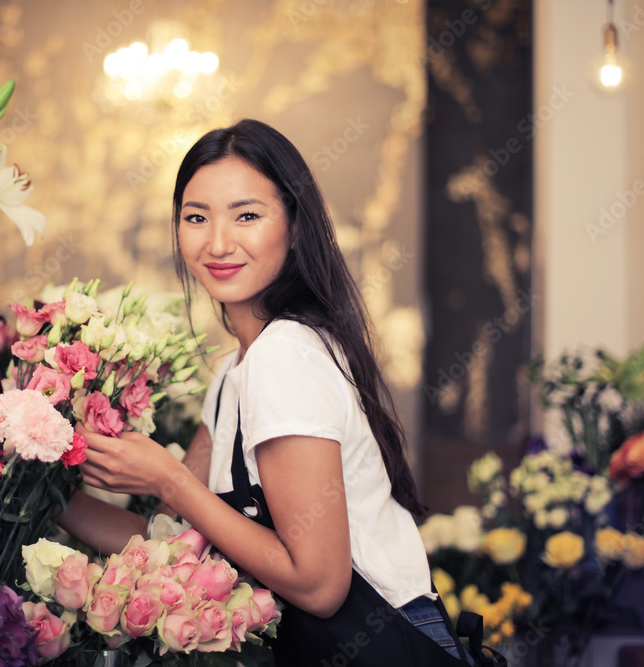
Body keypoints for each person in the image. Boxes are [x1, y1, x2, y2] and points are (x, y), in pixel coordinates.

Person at [58, 119, 475, 666]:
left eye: (247, 215)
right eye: (196, 218)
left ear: (296, 226)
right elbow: (169, 544)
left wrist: (168, 476)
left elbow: (321, 587)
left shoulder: (286, 355)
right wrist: (32, 480)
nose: (218, 243)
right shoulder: (238, 371)